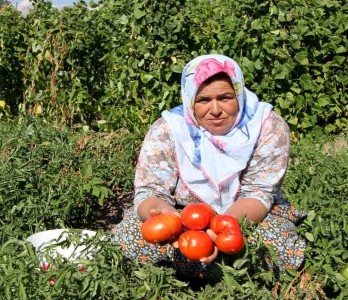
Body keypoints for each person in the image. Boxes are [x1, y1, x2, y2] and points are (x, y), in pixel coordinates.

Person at [111, 54, 306, 280]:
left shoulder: (266, 125)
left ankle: (187, 271)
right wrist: (166, 219)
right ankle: (221, 272)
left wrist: (223, 230)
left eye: (225, 97)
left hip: (245, 218)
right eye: (203, 100)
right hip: (182, 216)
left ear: (239, 94)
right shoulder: (169, 129)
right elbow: (150, 190)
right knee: (129, 238)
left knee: (276, 246)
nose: (215, 110)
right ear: (190, 100)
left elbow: (259, 193)